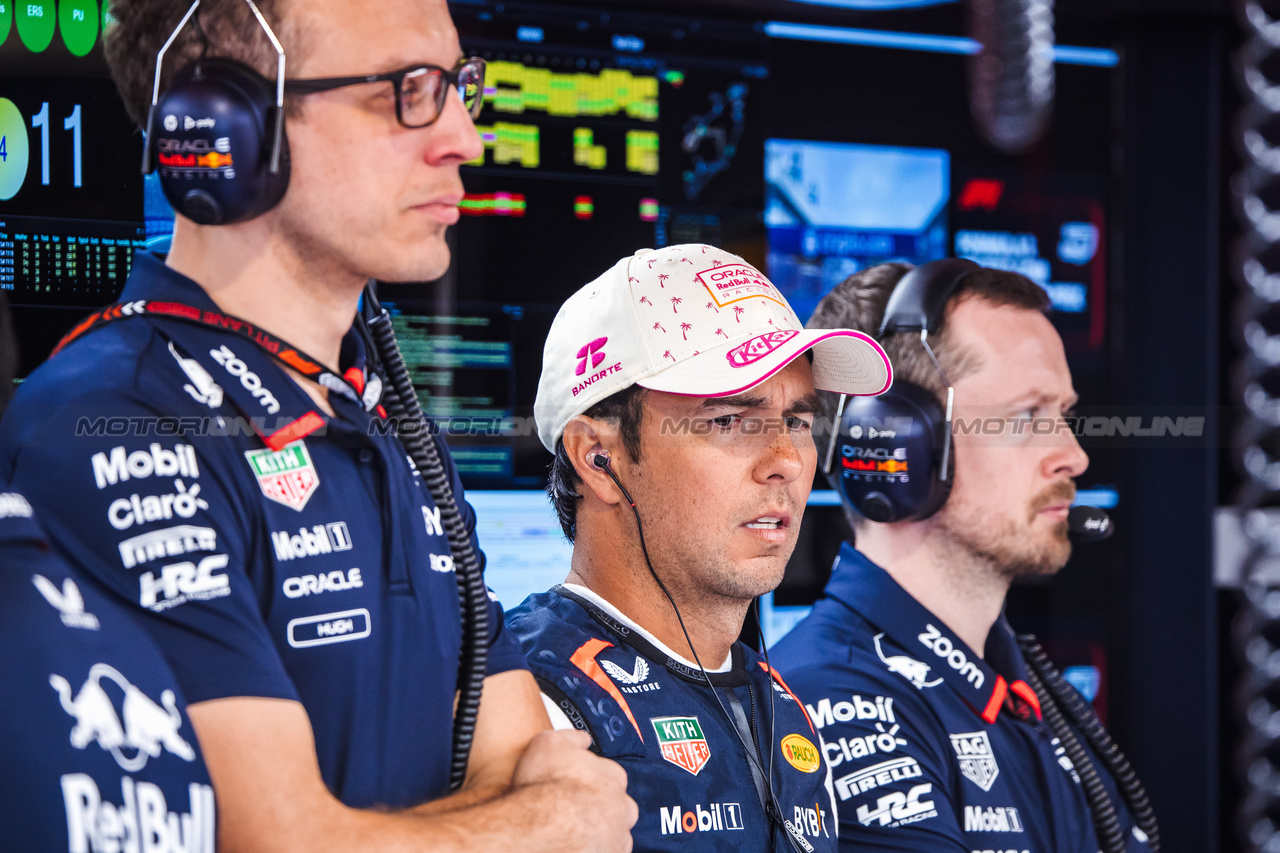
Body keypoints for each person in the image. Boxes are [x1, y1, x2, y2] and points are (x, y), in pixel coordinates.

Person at [0, 1, 634, 851]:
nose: (462, 140)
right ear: (223, 127)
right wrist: (539, 822)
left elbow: (517, 752)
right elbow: (274, 837)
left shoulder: (387, 420)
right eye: (406, 91)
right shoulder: (114, 421)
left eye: (458, 87)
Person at [505, 242, 894, 852]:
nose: (788, 462)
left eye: (797, 420)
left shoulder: (785, 710)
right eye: (729, 421)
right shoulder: (526, 702)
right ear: (599, 460)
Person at [770, 260, 1158, 852]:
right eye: (1029, 416)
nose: (1074, 456)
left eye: (1065, 417)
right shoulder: (832, 703)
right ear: (900, 443)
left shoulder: (1026, 693)